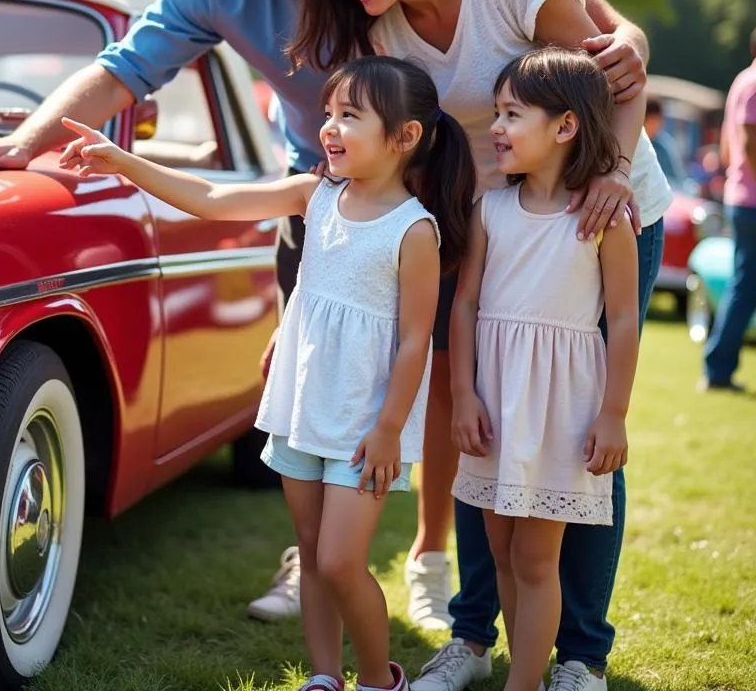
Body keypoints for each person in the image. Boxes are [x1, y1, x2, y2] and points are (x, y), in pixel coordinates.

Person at [0, 0, 651, 630]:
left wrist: (623, 28)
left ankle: (436, 562)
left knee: (474, 376)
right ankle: (325, 557)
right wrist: (22, 143)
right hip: (326, 186)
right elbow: (125, 68)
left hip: (462, 185)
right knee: (318, 369)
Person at [289, 0, 670, 691]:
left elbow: (616, 73)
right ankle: (470, 635)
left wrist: (610, 170)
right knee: (480, 420)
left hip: (603, 213)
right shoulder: (381, 25)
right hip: (496, 224)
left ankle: (579, 656)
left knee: (581, 434)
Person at [57, 55, 477, 691]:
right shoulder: (315, 196)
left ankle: (377, 680)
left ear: (405, 136)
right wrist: (123, 162)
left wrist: (390, 428)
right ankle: (324, 676)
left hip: (366, 423)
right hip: (303, 406)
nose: (329, 128)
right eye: (329, 114)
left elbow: (418, 341)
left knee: (340, 560)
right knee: (311, 553)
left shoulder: (413, 230)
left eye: (350, 116)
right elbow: (212, 199)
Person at [451, 47, 639, 691]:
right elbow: (467, 303)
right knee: (502, 551)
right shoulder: (490, 210)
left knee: (536, 558)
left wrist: (613, 414)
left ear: (565, 126)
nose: (497, 127)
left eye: (512, 113)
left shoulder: (604, 221)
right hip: (497, 405)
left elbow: (624, 321)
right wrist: (462, 395)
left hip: (561, 410)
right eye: (496, 112)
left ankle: (526, 682)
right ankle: (521, 669)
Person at [700, 28, 756, 393]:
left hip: (741, 197)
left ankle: (717, 367)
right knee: (744, 287)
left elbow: (726, 144)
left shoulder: (740, 82)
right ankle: (718, 370)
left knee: (743, 285)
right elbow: (750, 140)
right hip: (753, 201)